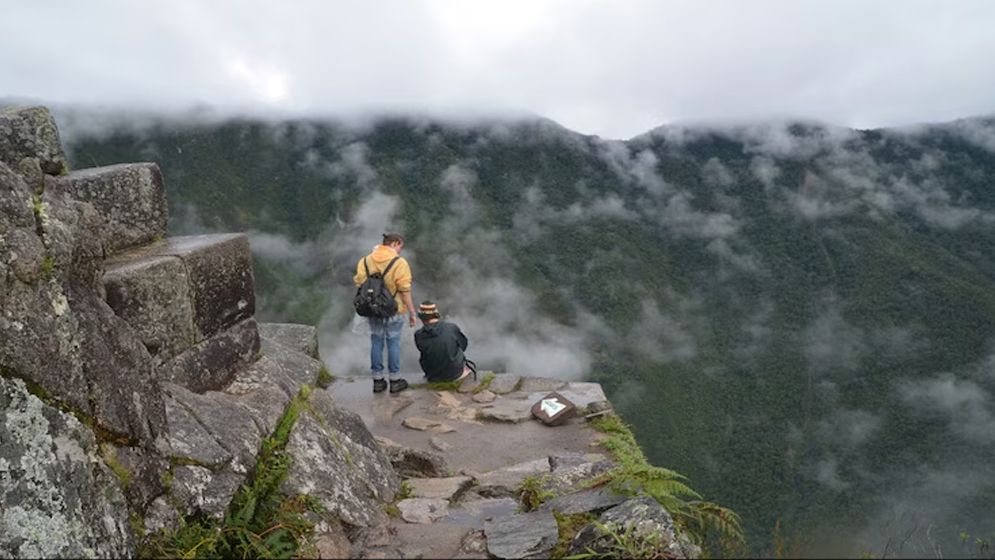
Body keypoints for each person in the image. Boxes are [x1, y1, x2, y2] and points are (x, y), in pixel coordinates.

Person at [354, 233, 416, 393]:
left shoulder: (365, 261)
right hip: (394, 309)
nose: (401, 251)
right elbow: (404, 290)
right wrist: (412, 312)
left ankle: (378, 381)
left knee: (376, 342)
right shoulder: (399, 263)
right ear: (395, 243)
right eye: (400, 246)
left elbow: (359, 283)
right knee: (393, 342)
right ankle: (395, 380)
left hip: (373, 309)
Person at [413, 301, 476, 383]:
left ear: (421, 318)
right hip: (456, 374)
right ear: (436, 314)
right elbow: (463, 345)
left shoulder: (418, 335)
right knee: (457, 347)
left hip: (433, 376)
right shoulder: (451, 327)